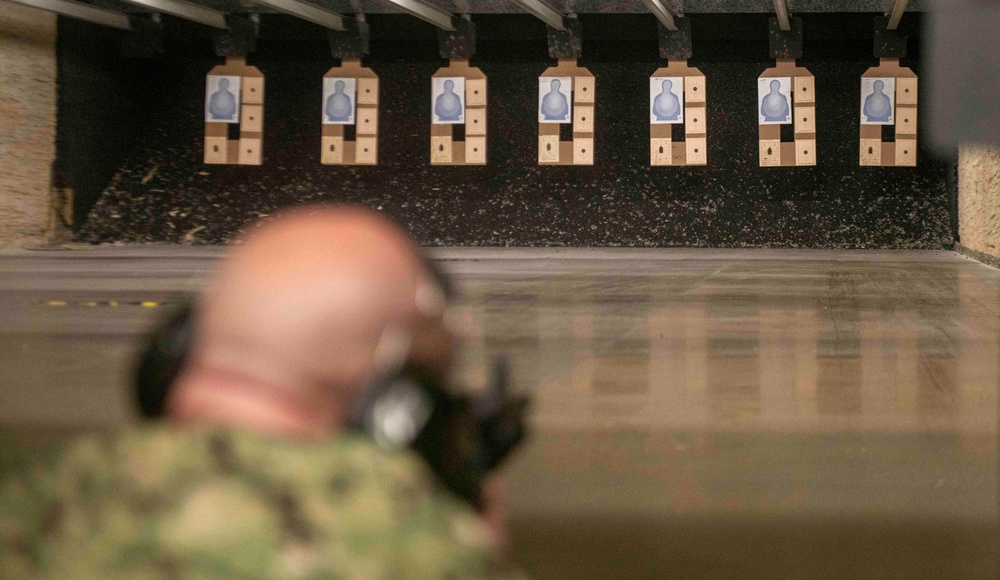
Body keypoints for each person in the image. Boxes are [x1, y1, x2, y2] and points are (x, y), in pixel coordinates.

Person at [0, 205, 516, 579]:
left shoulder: (36, 494)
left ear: (176, 351)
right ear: (397, 400)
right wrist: (470, 529)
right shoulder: (401, 539)